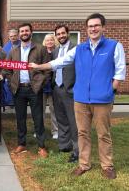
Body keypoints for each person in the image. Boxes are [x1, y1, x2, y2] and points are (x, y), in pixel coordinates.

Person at [29, 13, 126, 179]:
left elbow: (120, 71)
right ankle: (84, 163)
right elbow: (59, 62)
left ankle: (107, 165)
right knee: (82, 133)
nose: (93, 29)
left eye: (96, 25)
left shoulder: (114, 46)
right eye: (90, 26)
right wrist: (39, 66)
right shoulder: (79, 49)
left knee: (103, 133)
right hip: (80, 99)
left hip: (102, 99)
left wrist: (111, 91)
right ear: (86, 29)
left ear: (103, 27)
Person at [1, 23, 50, 158]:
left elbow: (47, 69)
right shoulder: (13, 51)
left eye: (26, 31)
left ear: (31, 32)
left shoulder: (40, 49)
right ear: (19, 34)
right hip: (19, 89)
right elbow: (6, 69)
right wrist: (12, 82)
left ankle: (41, 146)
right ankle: (21, 143)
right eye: (21, 31)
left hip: (34, 89)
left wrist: (41, 82)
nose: (24, 33)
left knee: (38, 118)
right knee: (20, 118)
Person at [52, 25, 79, 163]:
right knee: (61, 118)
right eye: (58, 34)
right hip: (57, 89)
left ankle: (77, 150)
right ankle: (64, 146)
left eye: (63, 33)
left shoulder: (76, 49)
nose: (61, 36)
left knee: (74, 121)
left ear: (68, 34)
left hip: (71, 90)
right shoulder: (56, 51)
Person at [42, 34, 59, 139]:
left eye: (51, 40)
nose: (49, 42)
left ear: (54, 41)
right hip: (42, 85)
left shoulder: (58, 52)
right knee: (40, 109)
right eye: (47, 40)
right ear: (45, 42)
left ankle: (55, 131)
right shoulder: (41, 52)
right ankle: (40, 130)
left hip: (54, 85)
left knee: (54, 109)